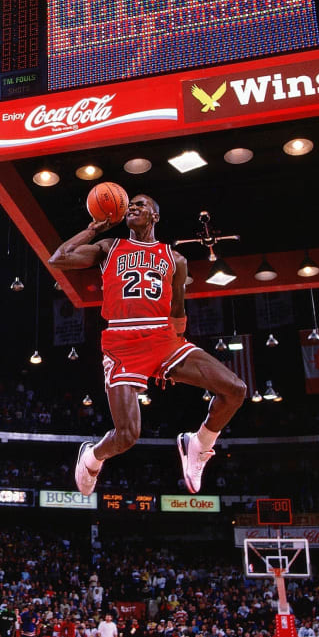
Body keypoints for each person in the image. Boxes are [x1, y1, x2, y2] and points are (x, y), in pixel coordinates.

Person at [49, 193, 247, 494]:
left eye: (141, 205)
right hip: (122, 341)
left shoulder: (175, 258)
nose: (133, 208)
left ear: (154, 216)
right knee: (127, 436)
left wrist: (179, 341)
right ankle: (92, 456)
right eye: (130, 205)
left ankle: (199, 444)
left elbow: (178, 308)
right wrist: (94, 229)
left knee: (235, 389)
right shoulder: (109, 247)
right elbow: (58, 259)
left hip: (163, 337)